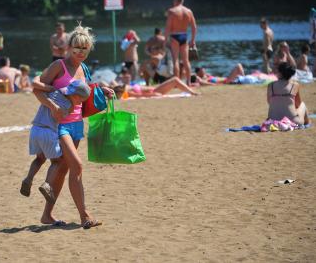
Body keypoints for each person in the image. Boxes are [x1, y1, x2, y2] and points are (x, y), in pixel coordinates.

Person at [32, 23, 114, 229]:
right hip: (60, 126)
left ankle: (47, 215)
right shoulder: (58, 66)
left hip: (77, 124)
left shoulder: (84, 68)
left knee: (63, 170)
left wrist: (103, 90)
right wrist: (53, 107)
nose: (80, 52)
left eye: (84, 49)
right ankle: (85, 216)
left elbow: (84, 91)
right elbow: (37, 89)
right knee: (77, 166)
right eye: (76, 48)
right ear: (69, 47)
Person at [20, 80, 90, 209]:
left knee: (39, 158)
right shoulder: (69, 106)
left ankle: (28, 179)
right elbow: (59, 118)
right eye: (80, 100)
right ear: (75, 96)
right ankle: (47, 183)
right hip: (48, 131)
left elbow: (36, 88)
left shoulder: (53, 92)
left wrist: (49, 90)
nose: (80, 103)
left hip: (35, 129)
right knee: (57, 161)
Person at [165, 0, 197, 86]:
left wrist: (165, 40)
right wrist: (193, 40)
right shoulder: (188, 11)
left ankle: (177, 83)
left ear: (175, 1)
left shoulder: (172, 11)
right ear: (182, 1)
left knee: (175, 60)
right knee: (186, 61)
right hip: (184, 36)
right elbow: (194, 27)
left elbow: (168, 27)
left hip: (174, 36)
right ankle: (188, 82)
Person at [113, 75, 199, 99]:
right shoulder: (128, 93)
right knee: (175, 80)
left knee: (175, 80)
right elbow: (141, 96)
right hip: (155, 91)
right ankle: (191, 92)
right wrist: (154, 95)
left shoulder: (127, 87)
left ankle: (190, 91)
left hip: (155, 89)